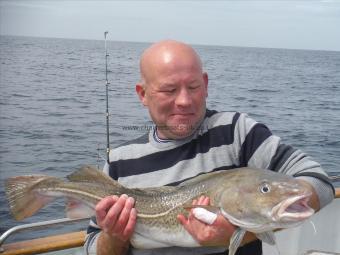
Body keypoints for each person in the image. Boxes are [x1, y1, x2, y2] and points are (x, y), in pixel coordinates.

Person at [84, 40, 334, 255]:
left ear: (205, 84)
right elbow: (93, 246)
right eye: (169, 90)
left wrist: (238, 233)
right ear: (143, 94)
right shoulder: (118, 161)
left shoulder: (238, 132)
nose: (184, 100)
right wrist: (114, 236)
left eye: (193, 87)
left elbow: (320, 183)